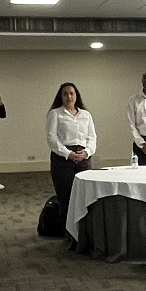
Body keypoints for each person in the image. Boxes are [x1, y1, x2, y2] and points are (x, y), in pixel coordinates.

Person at [46, 82, 96, 237]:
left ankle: (83, 233)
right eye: (65, 94)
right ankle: (69, 235)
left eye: (71, 93)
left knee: (84, 197)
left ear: (76, 95)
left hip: (83, 158)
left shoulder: (86, 115)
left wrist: (86, 152)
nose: (69, 96)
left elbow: (92, 137)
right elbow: (52, 139)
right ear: (61, 97)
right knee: (66, 198)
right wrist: (68, 154)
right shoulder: (55, 114)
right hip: (63, 160)